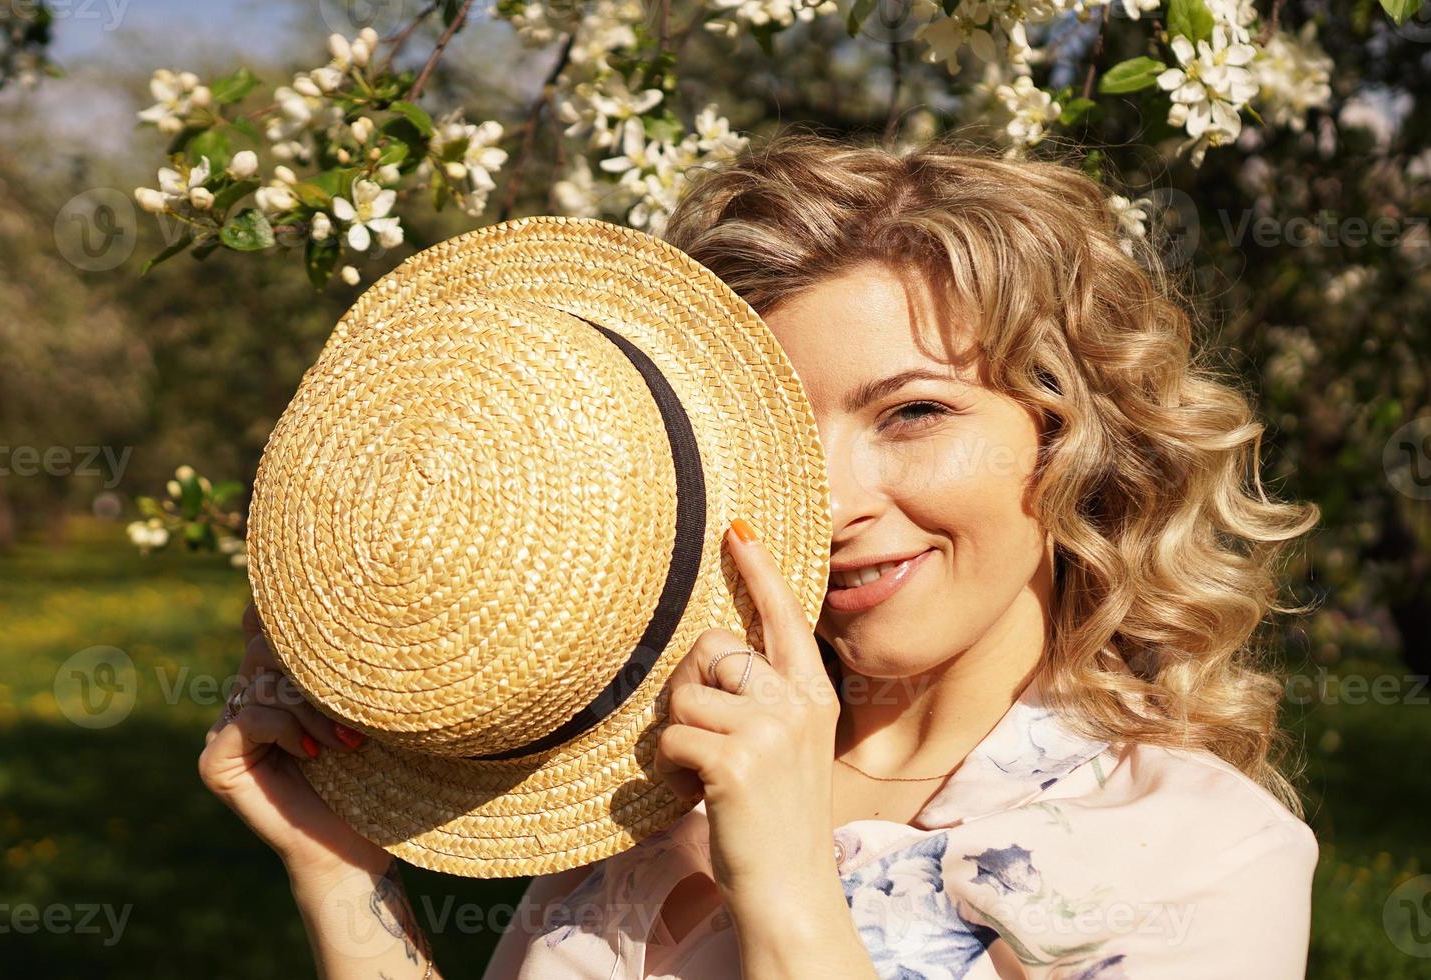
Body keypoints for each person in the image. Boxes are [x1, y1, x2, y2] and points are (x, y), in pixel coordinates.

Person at [200, 130, 1322, 979]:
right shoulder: (642, 775)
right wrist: (343, 873)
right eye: (785, 435)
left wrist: (785, 882)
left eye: (914, 412)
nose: (829, 502)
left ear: (1066, 434)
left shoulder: (1198, 852)